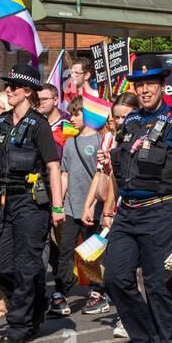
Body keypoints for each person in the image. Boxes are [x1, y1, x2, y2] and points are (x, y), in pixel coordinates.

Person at [98, 55, 172, 343]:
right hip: (128, 212)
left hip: (162, 211)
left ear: (162, 85)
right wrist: (109, 203)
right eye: (139, 84)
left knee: (158, 286)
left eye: (150, 84)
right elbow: (120, 169)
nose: (144, 90)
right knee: (114, 278)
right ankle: (143, 339)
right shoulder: (129, 123)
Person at [0, 65, 64, 343]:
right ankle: (36, 298)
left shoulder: (38, 125)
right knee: (1, 266)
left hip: (30, 202)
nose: (9, 90)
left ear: (28, 92)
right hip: (2, 200)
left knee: (26, 265)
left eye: (14, 86)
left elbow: (52, 166)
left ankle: (21, 323)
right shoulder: (1, 122)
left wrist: (58, 207)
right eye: (7, 86)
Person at [80, 92, 139, 319]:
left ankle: (134, 315)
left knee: (132, 267)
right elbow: (101, 175)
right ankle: (125, 312)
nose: (121, 122)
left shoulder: (141, 137)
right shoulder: (108, 139)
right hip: (112, 205)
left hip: (133, 204)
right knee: (113, 265)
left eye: (126, 116)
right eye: (117, 117)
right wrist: (89, 204)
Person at [51, 96, 101, 318]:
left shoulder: (100, 140)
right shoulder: (70, 142)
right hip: (71, 207)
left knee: (91, 254)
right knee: (65, 251)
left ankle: (97, 291)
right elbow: (64, 173)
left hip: (92, 209)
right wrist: (59, 204)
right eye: (70, 114)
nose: (71, 118)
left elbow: (103, 176)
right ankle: (61, 292)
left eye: (76, 114)